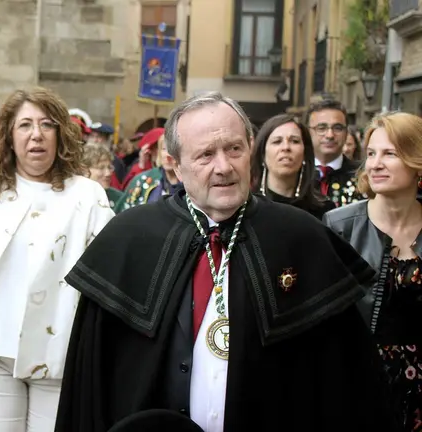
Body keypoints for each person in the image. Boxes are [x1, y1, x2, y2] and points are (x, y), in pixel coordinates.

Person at [55, 92, 394, 432]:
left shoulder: (301, 237)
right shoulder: (128, 237)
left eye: (234, 149)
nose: (224, 166)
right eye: (205, 155)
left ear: (250, 147)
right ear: (174, 163)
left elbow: (347, 384)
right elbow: (91, 385)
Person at [0, 87, 114, 431]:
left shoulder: (87, 194)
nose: (36, 135)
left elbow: (107, 273)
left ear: (60, 134)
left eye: (47, 125)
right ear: (8, 135)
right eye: (24, 126)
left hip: (59, 357)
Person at [324, 112, 422, 431]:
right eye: (370, 154)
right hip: (362, 380)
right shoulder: (339, 226)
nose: (375, 164)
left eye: (390, 153)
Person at [251, 113, 335, 219]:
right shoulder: (246, 207)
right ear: (262, 154)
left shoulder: (324, 210)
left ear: (305, 154)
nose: (286, 147)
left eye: (294, 141)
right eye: (277, 141)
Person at [306, 98, 364, 206]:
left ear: (346, 132)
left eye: (337, 128)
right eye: (321, 128)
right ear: (308, 132)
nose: (330, 135)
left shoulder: (363, 175)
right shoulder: (297, 174)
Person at [115, 134, 182, 212]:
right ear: (159, 152)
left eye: (173, 150)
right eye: (164, 149)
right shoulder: (142, 180)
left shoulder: (191, 183)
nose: (168, 155)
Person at [82, 143, 124, 209]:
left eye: (109, 167)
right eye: (101, 168)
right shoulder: (74, 198)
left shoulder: (119, 198)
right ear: (84, 170)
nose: (108, 173)